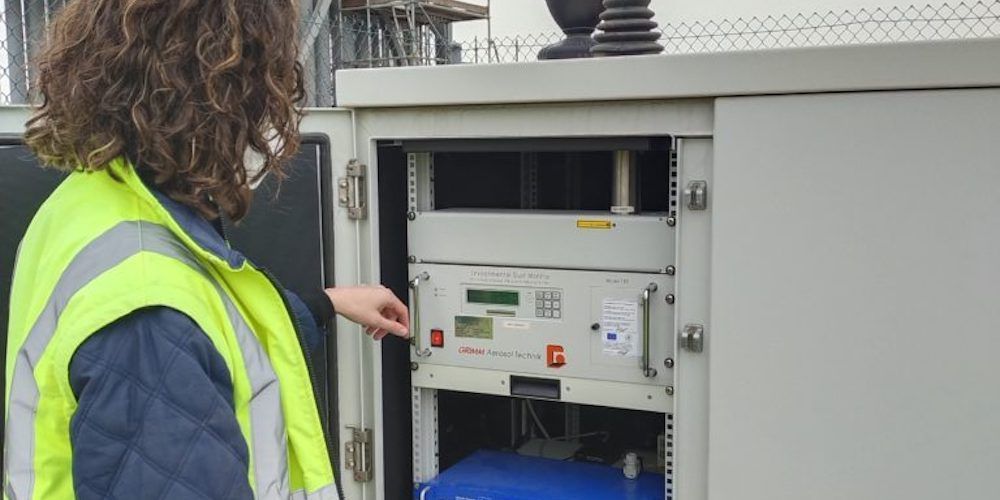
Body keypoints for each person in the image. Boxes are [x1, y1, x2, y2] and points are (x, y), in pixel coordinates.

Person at [3, 1, 409, 499]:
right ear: (225, 96)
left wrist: (326, 304)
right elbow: (170, 343)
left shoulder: (89, 203)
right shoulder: (150, 316)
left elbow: (210, 337)